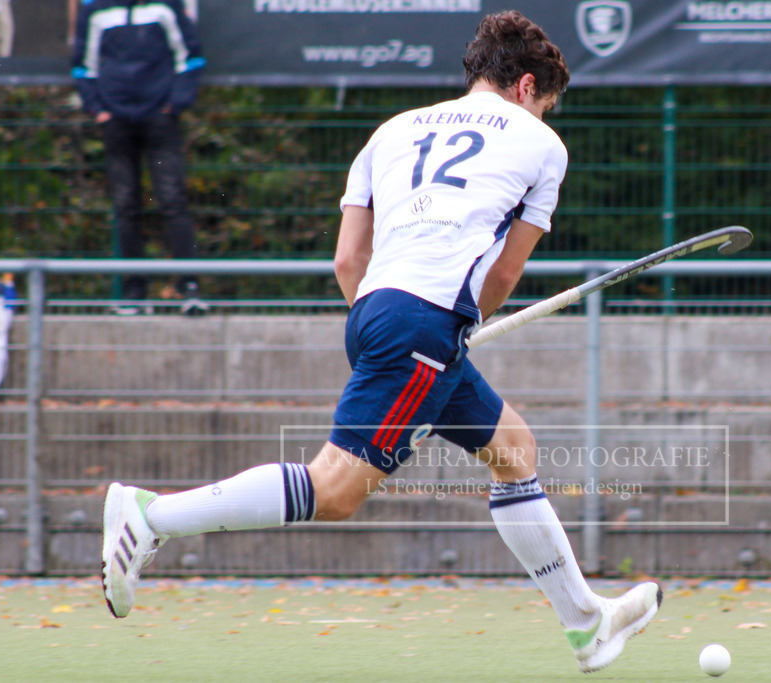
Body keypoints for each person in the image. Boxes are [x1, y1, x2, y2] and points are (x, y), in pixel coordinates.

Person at [99, 10, 661, 673]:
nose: (545, 118)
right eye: (546, 106)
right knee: (335, 489)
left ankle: (585, 624)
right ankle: (151, 514)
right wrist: (440, 334)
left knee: (513, 448)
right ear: (526, 85)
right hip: (426, 323)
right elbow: (504, 275)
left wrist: (412, 334)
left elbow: (347, 262)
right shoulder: (542, 146)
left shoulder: (391, 131)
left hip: (372, 313)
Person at [71, 0, 207, 316]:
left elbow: (192, 57)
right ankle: (134, 293)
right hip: (116, 123)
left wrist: (174, 105)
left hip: (160, 121)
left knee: (173, 201)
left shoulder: (166, 7)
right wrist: (99, 110)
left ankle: (190, 289)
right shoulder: (95, 11)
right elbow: (82, 66)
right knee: (125, 206)